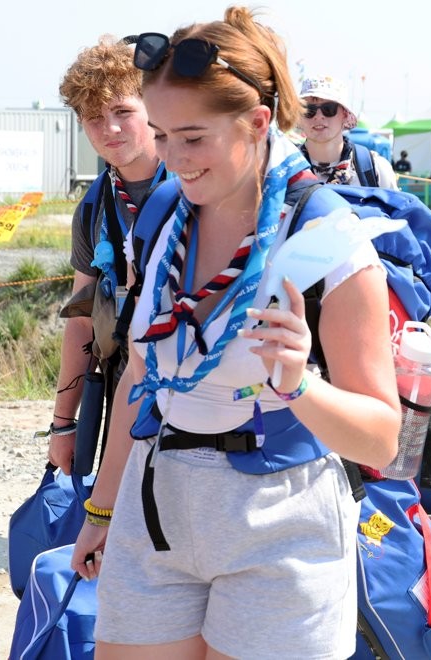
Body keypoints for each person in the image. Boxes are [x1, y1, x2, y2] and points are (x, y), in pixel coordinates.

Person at [70, 8, 401, 658]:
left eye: (192, 138)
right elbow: (144, 378)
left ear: (256, 123)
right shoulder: (168, 213)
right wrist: (102, 509)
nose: (172, 159)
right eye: (162, 135)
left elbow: (382, 439)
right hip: (156, 499)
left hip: (279, 518)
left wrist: (298, 384)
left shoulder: (325, 239)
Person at [48, 35, 166, 473]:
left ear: (153, 106)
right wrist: (63, 425)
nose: (110, 129)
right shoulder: (94, 207)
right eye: (94, 117)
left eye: (123, 112)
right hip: (121, 394)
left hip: (196, 403)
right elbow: (81, 319)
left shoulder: (199, 188)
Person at [297, 73, 398, 189]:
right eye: (309, 110)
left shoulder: (376, 169)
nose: (318, 116)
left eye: (329, 109)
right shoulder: (283, 167)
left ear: (345, 114)